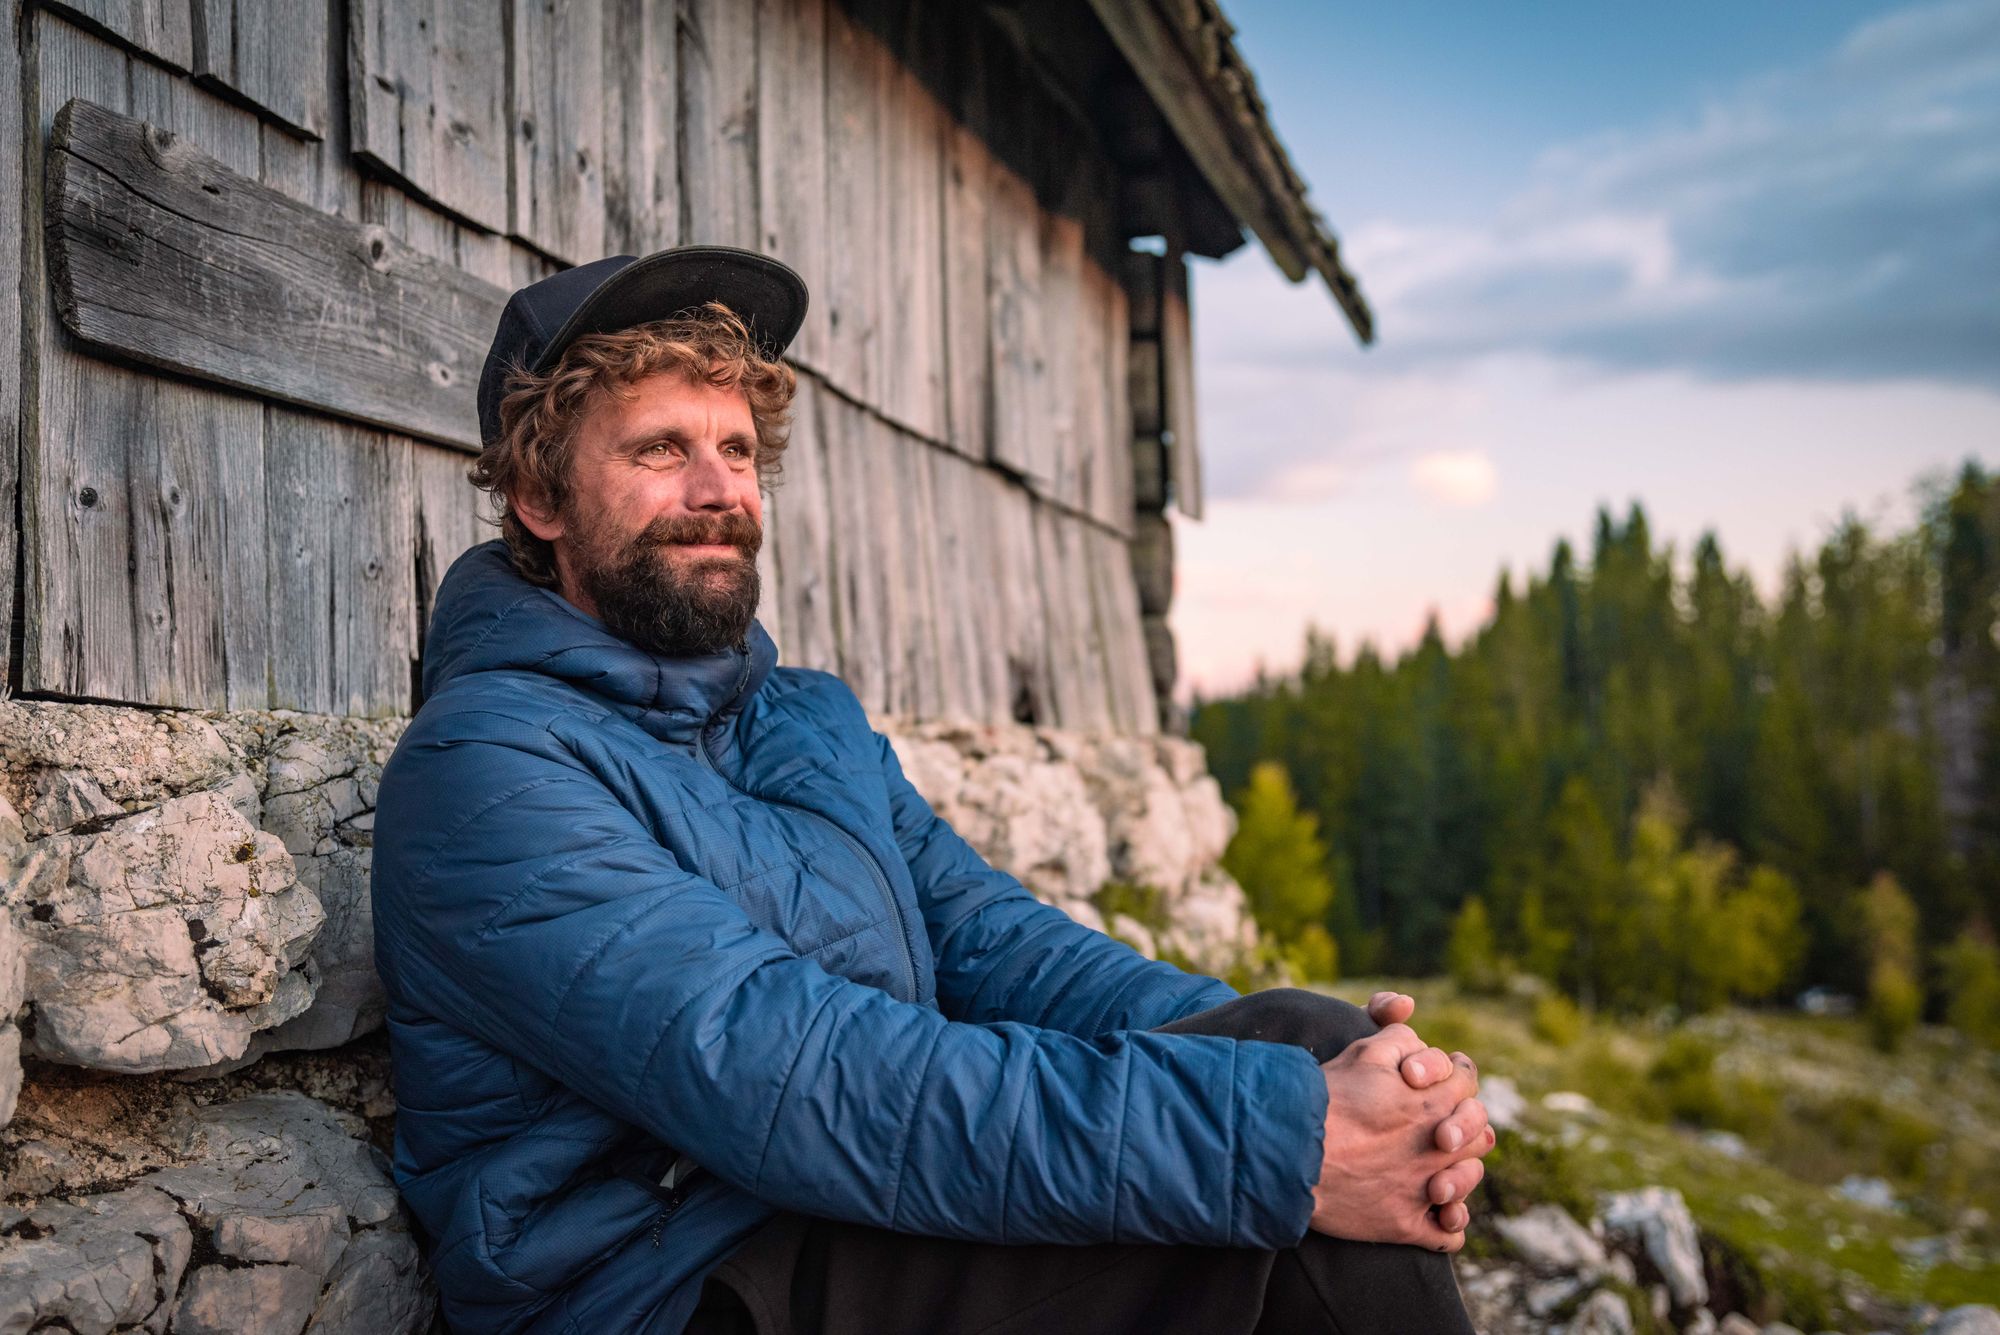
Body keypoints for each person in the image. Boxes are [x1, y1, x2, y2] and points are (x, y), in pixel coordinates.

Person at [370, 246, 1492, 1335]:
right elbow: (796, 1076)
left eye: (736, 449)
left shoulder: (802, 722)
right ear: (539, 498)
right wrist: (1280, 1140)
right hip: (676, 1279)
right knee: (1267, 1184)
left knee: (1300, 1043)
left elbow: (998, 946)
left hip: (847, 1200)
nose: (719, 490)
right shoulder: (486, 770)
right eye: (661, 449)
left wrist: (1358, 1088)